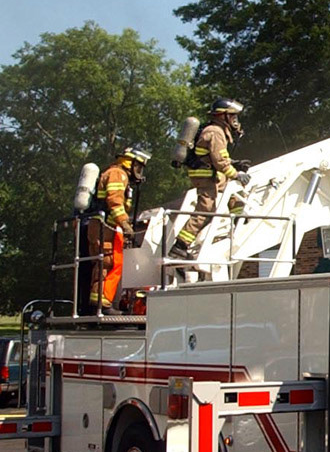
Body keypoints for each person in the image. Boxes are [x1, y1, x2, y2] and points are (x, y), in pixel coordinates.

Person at [169, 98, 250, 260]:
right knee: (206, 211)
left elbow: (215, 156)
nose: (235, 120)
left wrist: (234, 163)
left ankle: (240, 220)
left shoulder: (215, 130)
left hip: (210, 174)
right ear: (222, 116)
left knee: (233, 193)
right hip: (206, 177)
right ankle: (180, 246)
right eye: (232, 116)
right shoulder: (215, 132)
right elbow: (219, 161)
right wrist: (236, 174)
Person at [84, 146, 150, 314]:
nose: (139, 171)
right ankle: (101, 305)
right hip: (104, 227)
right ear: (129, 162)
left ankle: (102, 303)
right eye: (138, 166)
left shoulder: (118, 174)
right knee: (107, 262)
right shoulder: (117, 174)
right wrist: (125, 224)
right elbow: (114, 201)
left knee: (108, 262)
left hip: (105, 227)